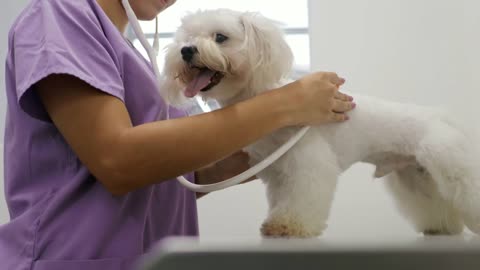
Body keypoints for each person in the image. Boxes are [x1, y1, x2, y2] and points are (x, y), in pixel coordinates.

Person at [0, 0, 355, 269]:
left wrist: (284, 142)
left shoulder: (134, 56)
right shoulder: (60, 15)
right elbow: (117, 160)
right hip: (76, 256)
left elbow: (180, 176)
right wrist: (284, 104)